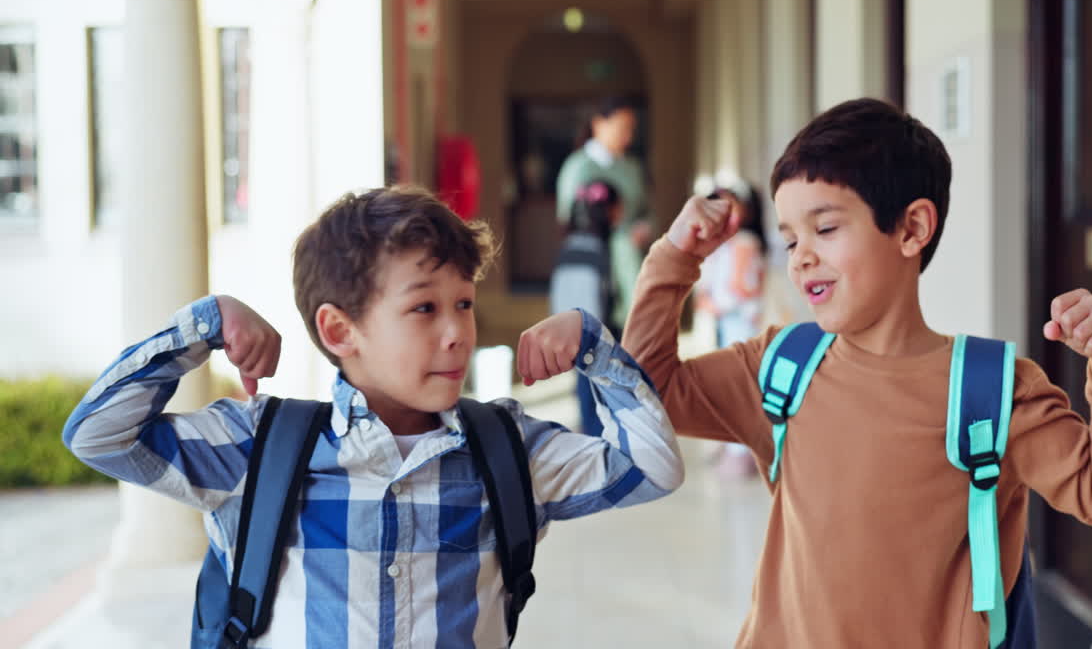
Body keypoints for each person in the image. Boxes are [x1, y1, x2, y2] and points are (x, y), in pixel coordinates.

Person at [622, 98, 1092, 647]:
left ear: (912, 228)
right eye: (790, 239)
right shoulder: (783, 365)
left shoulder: (991, 392)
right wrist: (673, 259)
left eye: (825, 228)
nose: (801, 256)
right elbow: (645, 392)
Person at [63, 185, 684, 647]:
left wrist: (595, 350)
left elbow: (652, 468)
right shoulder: (261, 448)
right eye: (423, 309)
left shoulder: (505, 450)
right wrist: (203, 325)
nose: (456, 334)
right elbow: (98, 434)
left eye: (463, 303)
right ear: (340, 328)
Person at [555, 96, 651, 332]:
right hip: (592, 261)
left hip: (628, 263)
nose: (627, 136)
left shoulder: (631, 168)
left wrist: (643, 228)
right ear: (599, 124)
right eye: (622, 128)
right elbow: (567, 216)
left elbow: (645, 210)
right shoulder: (578, 167)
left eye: (631, 130)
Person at [694, 180, 766, 478]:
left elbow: (741, 289)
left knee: (740, 386)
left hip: (741, 323)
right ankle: (731, 445)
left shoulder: (745, 243)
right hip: (726, 323)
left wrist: (713, 302)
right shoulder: (723, 247)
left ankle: (742, 453)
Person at [550, 179, 623, 436]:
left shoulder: (570, 246)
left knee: (585, 387)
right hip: (599, 333)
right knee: (599, 392)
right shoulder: (606, 249)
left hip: (576, 331)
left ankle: (592, 435)